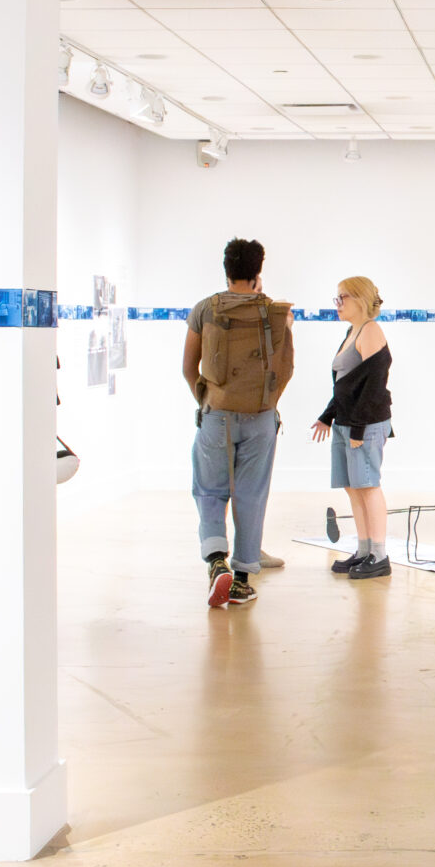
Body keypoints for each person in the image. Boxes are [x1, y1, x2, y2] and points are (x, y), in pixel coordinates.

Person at [183, 238, 294, 608]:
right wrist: (268, 404)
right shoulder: (274, 312)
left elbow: (188, 366)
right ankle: (242, 580)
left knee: (209, 490)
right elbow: (286, 367)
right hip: (261, 417)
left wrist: (206, 400)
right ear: (257, 271)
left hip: (217, 416)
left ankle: (217, 561)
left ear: (226, 270)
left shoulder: (205, 309)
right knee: (252, 495)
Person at [313, 275, 395, 580]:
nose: (337, 304)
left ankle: (379, 555)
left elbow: (373, 385)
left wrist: (359, 429)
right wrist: (327, 416)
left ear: (359, 299)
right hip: (347, 422)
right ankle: (364, 550)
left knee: (368, 486)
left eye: (341, 298)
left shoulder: (371, 331)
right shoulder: (352, 331)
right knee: (353, 487)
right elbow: (344, 386)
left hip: (366, 424)